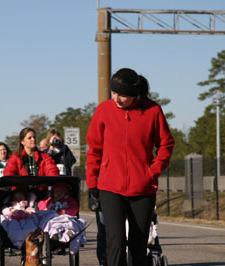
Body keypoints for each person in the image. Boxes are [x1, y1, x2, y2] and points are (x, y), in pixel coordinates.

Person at [86, 68, 174, 266]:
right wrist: (92, 182)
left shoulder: (153, 111)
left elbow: (166, 145)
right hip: (110, 187)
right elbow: (94, 150)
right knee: (115, 241)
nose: (116, 98)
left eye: (122, 95)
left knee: (138, 244)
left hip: (143, 189)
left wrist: (152, 172)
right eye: (114, 93)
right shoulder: (103, 110)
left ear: (134, 93)